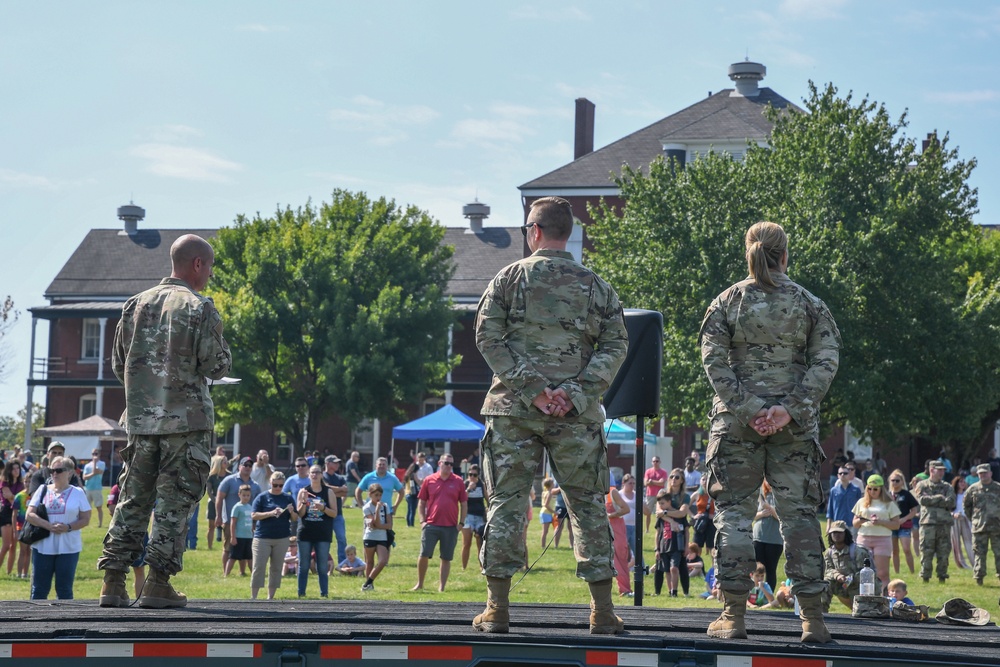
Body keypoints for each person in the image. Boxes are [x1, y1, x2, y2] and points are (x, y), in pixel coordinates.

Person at [472, 196, 628, 635]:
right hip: (575, 417)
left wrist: (534, 390)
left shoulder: (508, 278)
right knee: (587, 507)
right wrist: (572, 393)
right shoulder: (596, 286)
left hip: (513, 412)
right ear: (568, 233)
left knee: (507, 504)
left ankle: (497, 610)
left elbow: (487, 336)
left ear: (534, 231)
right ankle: (601, 612)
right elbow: (616, 345)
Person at [700, 221, 840, 643]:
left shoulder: (727, 302)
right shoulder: (810, 304)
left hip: (736, 425)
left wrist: (750, 408)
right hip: (793, 428)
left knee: (734, 517)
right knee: (799, 518)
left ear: (749, 250)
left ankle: (733, 616)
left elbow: (714, 361)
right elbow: (826, 361)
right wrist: (786, 410)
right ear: (785, 255)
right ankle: (812, 621)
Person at [98, 234, 232, 609]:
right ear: (198, 265)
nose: (208, 275)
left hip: (140, 422)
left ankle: (113, 582)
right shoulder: (200, 307)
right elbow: (216, 366)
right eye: (209, 267)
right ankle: (157, 582)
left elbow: (118, 365)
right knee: (175, 502)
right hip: (185, 425)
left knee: (132, 498)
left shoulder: (134, 305)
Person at [26, 456, 92, 599]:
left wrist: (68, 527)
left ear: (70, 472)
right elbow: (29, 514)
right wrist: (48, 526)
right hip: (43, 546)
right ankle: (34, 620)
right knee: (39, 589)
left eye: (59, 470)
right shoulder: (42, 490)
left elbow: (86, 519)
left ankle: (66, 621)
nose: (54, 474)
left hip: (68, 547)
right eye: (52, 470)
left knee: (64, 589)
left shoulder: (78, 493)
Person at [412, 454, 467, 592]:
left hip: (450, 526)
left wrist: (461, 523)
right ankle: (420, 584)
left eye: (451, 464)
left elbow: (464, 504)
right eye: (446, 463)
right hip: (431, 524)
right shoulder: (429, 480)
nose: (448, 466)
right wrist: (422, 521)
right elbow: (421, 502)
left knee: (446, 557)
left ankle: (441, 587)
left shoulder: (458, 481)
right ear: (439, 463)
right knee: (424, 554)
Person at [250, 471, 297, 600]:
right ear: (270, 483)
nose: (277, 488)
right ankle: (253, 597)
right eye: (275, 485)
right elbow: (253, 515)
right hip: (262, 537)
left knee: (276, 568)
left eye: (280, 486)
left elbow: (294, 518)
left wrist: (292, 511)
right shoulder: (262, 497)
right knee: (258, 567)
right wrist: (270, 513)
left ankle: (270, 598)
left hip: (281, 538)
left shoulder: (287, 498)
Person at [851, 474, 900, 595]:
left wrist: (881, 522)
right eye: (869, 488)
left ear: (881, 489)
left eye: (875, 489)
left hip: (882, 539)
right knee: (862, 571)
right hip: (864, 538)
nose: (872, 491)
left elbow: (896, 525)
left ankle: (883, 598)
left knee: (882, 573)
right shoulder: (861, 502)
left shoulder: (889, 503)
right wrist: (861, 520)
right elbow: (855, 523)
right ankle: (863, 597)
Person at [295, 464, 337, 598]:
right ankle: (301, 593)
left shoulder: (328, 492)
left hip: (323, 533)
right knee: (304, 565)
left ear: (321, 474)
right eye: (312, 473)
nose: (314, 475)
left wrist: (323, 508)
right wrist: (303, 502)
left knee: (322, 566)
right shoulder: (303, 491)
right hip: (305, 532)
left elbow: (334, 513)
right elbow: (299, 514)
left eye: (317, 473)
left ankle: (324, 593)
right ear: (308, 474)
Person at [216, 457, 261, 575]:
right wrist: (218, 516)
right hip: (229, 521)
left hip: (247, 523)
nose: (247, 467)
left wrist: (256, 522)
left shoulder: (255, 485)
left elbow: (259, 504)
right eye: (245, 465)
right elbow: (219, 498)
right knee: (228, 547)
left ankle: (242, 571)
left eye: (250, 466)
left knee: (246, 548)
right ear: (239, 466)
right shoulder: (229, 480)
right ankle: (225, 572)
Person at [913, 459, 956, 583]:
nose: (942, 472)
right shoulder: (922, 485)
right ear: (932, 470)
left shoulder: (947, 486)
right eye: (940, 470)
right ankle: (925, 576)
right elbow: (922, 500)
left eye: (943, 470)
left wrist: (931, 499)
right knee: (926, 550)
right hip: (928, 523)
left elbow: (951, 502)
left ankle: (942, 575)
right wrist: (939, 498)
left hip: (944, 523)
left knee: (944, 550)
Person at [821, 520, 873, 611]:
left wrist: (849, 579)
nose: (837, 535)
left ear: (846, 534)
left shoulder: (858, 551)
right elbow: (828, 570)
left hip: (857, 585)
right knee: (825, 583)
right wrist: (838, 576)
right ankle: (822, 612)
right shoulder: (829, 553)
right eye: (834, 533)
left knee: (862, 611)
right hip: (839, 584)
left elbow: (865, 573)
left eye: (840, 533)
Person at [963, 463, 1000, 585]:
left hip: (997, 527)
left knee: (999, 552)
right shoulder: (972, 489)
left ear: (990, 473)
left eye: (985, 472)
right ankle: (979, 577)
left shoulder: (998, 488)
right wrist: (974, 519)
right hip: (979, 527)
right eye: (981, 473)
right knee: (979, 553)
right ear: (977, 474)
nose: (983, 475)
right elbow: (966, 506)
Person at [658, 470, 691, 596]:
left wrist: (666, 513)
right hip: (665, 534)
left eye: (677, 477)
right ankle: (670, 591)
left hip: (681, 533)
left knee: (680, 566)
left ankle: (683, 591)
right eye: (671, 476)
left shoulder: (685, 497)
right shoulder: (663, 493)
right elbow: (657, 512)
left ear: (682, 480)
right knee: (666, 567)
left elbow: (682, 513)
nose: (673, 479)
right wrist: (672, 521)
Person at [752, 481, 783, 593]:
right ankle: (755, 593)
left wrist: (767, 507)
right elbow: (751, 515)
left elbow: (781, 517)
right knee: (757, 567)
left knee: (770, 569)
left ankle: (768, 595)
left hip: (774, 539)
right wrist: (761, 514)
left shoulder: (781, 495)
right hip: (758, 536)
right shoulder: (759, 494)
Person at [361, 484, 392, 591]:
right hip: (370, 536)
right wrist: (377, 510)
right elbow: (374, 523)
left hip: (382, 537)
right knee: (370, 562)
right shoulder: (367, 507)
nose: (378, 498)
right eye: (376, 495)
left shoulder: (385, 506)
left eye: (380, 495)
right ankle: (369, 586)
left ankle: (367, 582)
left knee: (383, 561)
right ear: (370, 495)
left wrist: (379, 526)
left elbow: (389, 525)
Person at [887, 469, 919, 574]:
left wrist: (905, 518)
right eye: (893, 480)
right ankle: (897, 572)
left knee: (906, 549)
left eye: (897, 480)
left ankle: (912, 572)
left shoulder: (906, 494)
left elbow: (915, 510)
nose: (895, 483)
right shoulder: (887, 495)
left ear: (902, 481)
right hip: (891, 526)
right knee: (894, 551)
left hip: (904, 525)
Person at [322, 455, 349, 566]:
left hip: (338, 515)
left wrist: (332, 491)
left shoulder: (340, 478)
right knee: (324, 540)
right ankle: (325, 563)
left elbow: (345, 493)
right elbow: (325, 489)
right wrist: (338, 490)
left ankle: (342, 564)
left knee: (341, 538)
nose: (338, 465)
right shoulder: (322, 476)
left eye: (338, 463)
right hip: (324, 514)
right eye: (335, 463)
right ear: (327, 463)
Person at [606, 483, 631, 597]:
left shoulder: (612, 492)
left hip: (616, 529)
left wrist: (611, 515)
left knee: (620, 560)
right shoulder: (591, 492)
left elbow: (626, 509)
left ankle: (625, 589)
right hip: (601, 530)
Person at [0, 460, 25, 575]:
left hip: (16, 514)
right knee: (5, 545)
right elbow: (11, 499)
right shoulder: (4, 483)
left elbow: (17, 500)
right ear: (9, 470)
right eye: (14, 468)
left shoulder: (21, 484)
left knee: (13, 545)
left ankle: (9, 572)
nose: (16, 471)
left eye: (18, 468)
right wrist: (16, 497)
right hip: (6, 514)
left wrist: (14, 497)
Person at [827, 464, 863, 538]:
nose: (843, 475)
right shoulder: (834, 490)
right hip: (837, 524)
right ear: (838, 475)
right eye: (840, 473)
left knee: (853, 546)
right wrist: (828, 525)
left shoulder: (856, 490)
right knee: (838, 546)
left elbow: (861, 508)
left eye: (845, 473)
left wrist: (860, 523)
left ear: (849, 475)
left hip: (852, 523)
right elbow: (830, 509)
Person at [461, 464, 486, 570]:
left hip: (480, 517)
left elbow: (487, 498)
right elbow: (462, 498)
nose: (472, 477)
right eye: (470, 474)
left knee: (480, 543)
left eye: (474, 475)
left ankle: (482, 566)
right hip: (468, 516)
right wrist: (468, 489)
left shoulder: (482, 484)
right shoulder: (465, 484)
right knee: (466, 543)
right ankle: (464, 567)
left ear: (478, 475)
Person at [227, 485, 254, 576]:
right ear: (239, 495)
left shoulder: (250, 507)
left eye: (248, 495)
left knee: (249, 557)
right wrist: (233, 537)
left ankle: (250, 573)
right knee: (234, 556)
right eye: (244, 495)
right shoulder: (237, 507)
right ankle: (226, 574)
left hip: (248, 536)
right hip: (239, 536)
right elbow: (233, 522)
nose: (246, 497)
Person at [951, 474, 974, 570]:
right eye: (961, 482)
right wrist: (953, 514)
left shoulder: (967, 494)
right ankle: (961, 563)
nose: (963, 483)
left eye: (964, 481)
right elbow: (948, 508)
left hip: (965, 519)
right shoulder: (952, 495)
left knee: (969, 541)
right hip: (955, 519)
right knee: (956, 542)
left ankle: (974, 562)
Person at [205, 456, 227, 550]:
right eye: (224, 462)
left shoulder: (229, 476)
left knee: (226, 526)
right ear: (219, 463)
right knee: (211, 526)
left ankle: (225, 546)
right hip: (213, 503)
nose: (226, 463)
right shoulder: (212, 477)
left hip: (226, 504)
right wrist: (215, 500)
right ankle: (210, 547)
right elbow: (209, 491)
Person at [690, 475, 716, 550]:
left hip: (711, 521)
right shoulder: (697, 494)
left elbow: (720, 507)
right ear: (700, 481)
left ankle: (713, 562)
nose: (705, 482)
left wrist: (715, 515)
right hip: (701, 521)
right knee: (697, 545)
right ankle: (696, 561)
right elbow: (685, 506)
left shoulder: (714, 494)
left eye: (707, 479)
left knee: (712, 546)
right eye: (703, 479)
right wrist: (693, 516)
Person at [82, 448, 106, 528]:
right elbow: (84, 477)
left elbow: (99, 471)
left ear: (99, 454)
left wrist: (95, 463)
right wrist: (93, 473)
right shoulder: (87, 465)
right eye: (93, 454)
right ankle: (86, 523)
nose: (94, 455)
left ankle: (100, 524)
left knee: (98, 507)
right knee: (87, 508)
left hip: (97, 488)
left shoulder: (102, 463)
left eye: (96, 454)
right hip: (88, 488)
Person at [643, 457, 667, 533]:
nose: (655, 463)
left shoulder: (663, 472)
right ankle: (647, 529)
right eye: (654, 461)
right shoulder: (648, 471)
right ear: (652, 462)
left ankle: (659, 528)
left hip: (660, 495)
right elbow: (645, 483)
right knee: (648, 512)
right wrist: (657, 482)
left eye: (657, 461)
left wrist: (651, 481)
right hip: (650, 494)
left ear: (660, 462)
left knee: (659, 511)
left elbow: (662, 483)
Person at [539, 477, 556, 548]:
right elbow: (546, 504)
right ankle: (543, 546)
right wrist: (554, 512)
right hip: (546, 513)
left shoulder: (544, 492)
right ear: (551, 484)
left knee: (545, 531)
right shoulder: (549, 493)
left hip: (544, 512)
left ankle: (543, 545)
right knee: (545, 531)